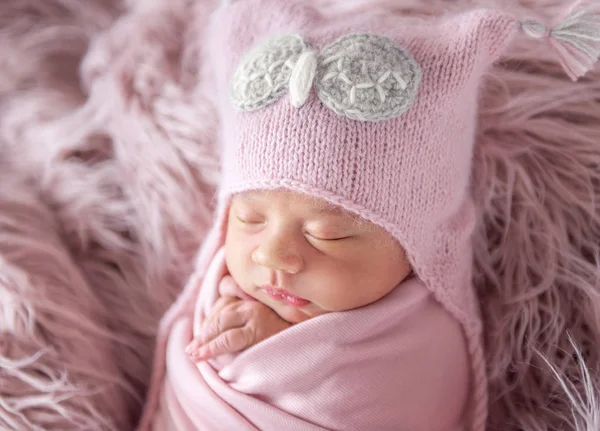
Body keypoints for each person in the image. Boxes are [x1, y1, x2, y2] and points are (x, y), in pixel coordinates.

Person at [136, 0, 600, 430]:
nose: (274, 254)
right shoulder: (219, 284)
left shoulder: (416, 349)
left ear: (416, 247)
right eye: (250, 219)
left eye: (328, 235)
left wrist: (272, 348)